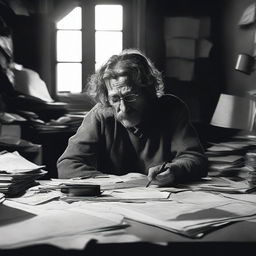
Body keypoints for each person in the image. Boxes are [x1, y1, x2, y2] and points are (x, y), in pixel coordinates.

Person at [57, 49, 208, 186]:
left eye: (130, 97)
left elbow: (195, 159)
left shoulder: (172, 108)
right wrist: (114, 181)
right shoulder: (100, 115)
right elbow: (68, 164)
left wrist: (174, 170)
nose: (124, 108)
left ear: (148, 91)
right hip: (113, 204)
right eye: (115, 99)